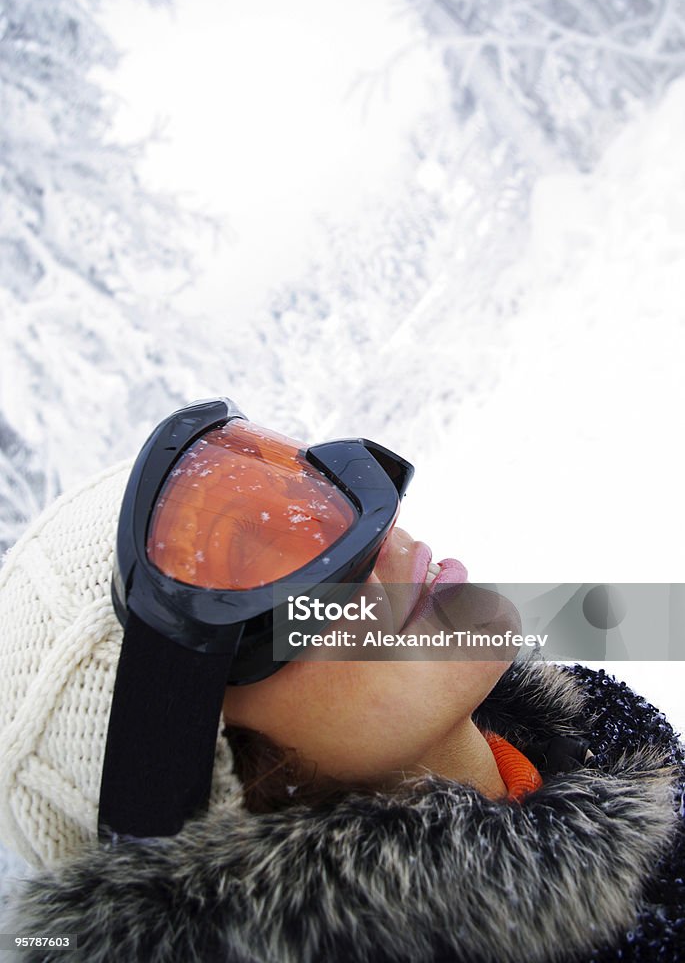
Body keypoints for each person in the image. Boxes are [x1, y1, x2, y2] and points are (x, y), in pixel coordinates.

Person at [0, 401, 683, 963]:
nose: (380, 532)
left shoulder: (598, 744)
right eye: (263, 564)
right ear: (204, 785)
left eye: (307, 499)